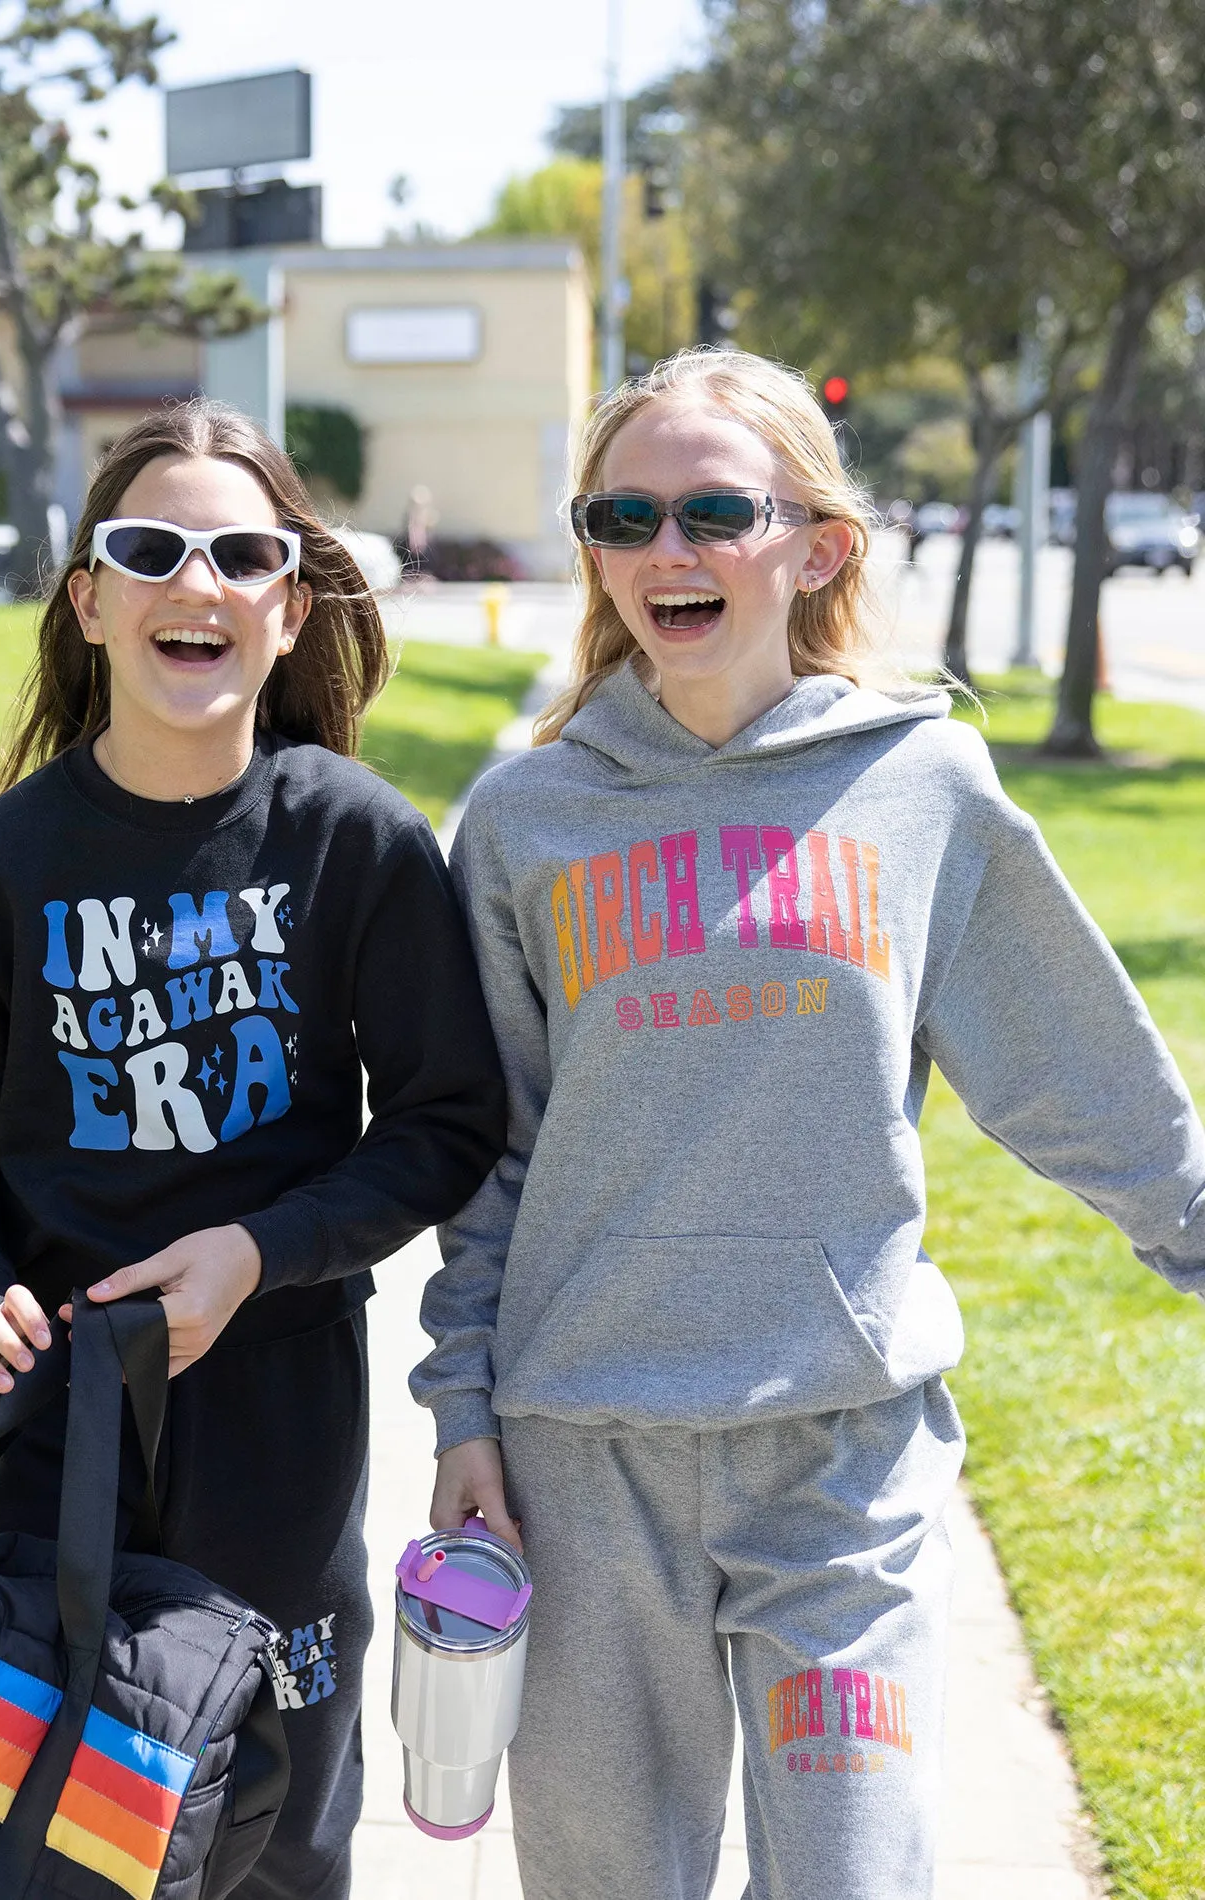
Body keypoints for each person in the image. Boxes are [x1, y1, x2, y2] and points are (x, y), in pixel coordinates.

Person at [411, 347, 1205, 1900]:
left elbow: (1070, 1068)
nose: (668, 553)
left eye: (715, 510)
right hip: (587, 1462)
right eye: (624, 516)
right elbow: (486, 1152)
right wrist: (461, 1409)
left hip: (840, 1462)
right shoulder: (523, 819)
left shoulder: (924, 787)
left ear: (818, 545)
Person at [0, 399, 506, 1900]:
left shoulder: (357, 843)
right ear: (88, 600)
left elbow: (444, 1119)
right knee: (50, 1833)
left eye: (240, 554)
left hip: (280, 1433)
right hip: (54, 1443)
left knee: (272, 1837)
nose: (191, 583)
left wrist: (265, 1250)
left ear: (288, 606)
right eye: (148, 550)